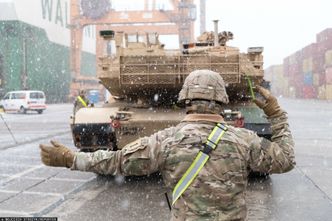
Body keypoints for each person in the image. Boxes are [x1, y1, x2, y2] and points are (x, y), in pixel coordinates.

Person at [40, 70, 295, 221]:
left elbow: (116, 162)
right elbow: (285, 159)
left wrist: (70, 159)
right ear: (221, 100)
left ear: (184, 99)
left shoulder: (166, 140)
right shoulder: (244, 141)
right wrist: (277, 116)